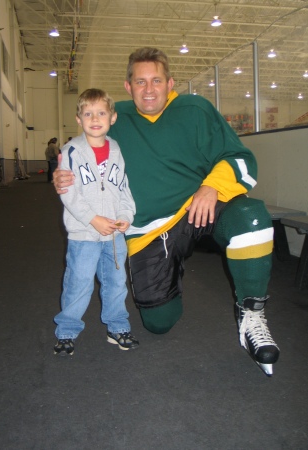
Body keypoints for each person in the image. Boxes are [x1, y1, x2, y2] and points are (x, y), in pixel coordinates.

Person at [53, 47, 279, 375]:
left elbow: (244, 161)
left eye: (156, 80)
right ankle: (172, 271)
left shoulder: (196, 109)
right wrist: (61, 174)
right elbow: (79, 153)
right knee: (159, 322)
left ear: (170, 83)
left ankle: (252, 316)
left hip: (198, 210)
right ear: (127, 87)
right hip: (148, 234)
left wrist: (211, 186)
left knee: (251, 217)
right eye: (140, 81)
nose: (149, 89)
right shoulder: (114, 119)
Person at [53, 88, 139, 356]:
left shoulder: (115, 149)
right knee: (78, 283)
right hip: (83, 235)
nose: (95, 118)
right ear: (79, 119)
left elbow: (123, 187)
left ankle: (117, 327)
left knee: (115, 283)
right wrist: (93, 219)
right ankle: (67, 330)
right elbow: (68, 192)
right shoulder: (71, 151)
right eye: (87, 113)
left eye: (101, 112)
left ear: (112, 117)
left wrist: (125, 217)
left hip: (113, 236)